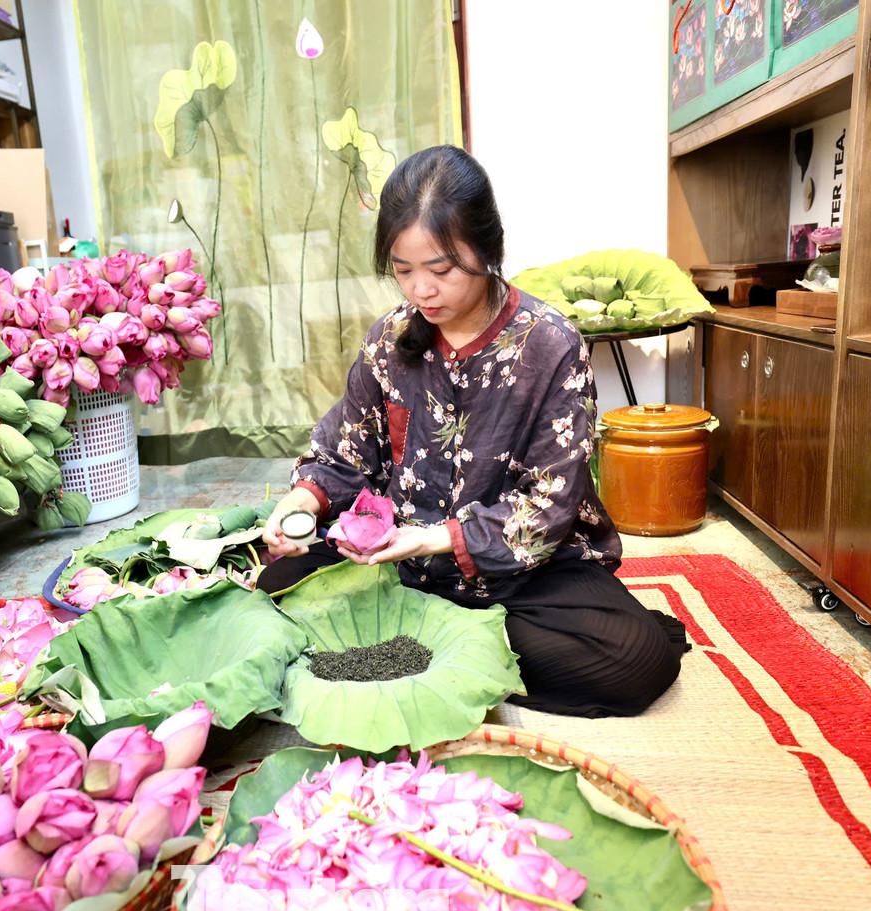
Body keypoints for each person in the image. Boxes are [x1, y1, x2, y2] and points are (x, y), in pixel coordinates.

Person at [258, 145, 689, 718]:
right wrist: (300, 505)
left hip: (522, 577)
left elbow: (549, 508)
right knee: (275, 585)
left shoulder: (551, 345)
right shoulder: (389, 339)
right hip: (400, 566)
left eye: (440, 270)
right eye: (403, 271)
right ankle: (457, 653)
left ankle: (428, 648)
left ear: (487, 251)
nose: (420, 292)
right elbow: (344, 451)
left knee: (632, 660)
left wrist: (436, 538)